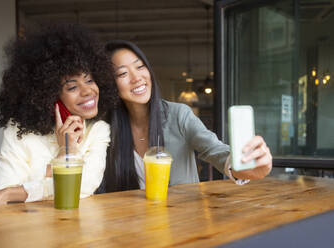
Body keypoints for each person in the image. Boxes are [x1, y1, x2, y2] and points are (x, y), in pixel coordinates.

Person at [98, 40, 272, 193]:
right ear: (110, 85)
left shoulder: (178, 114)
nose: (137, 78)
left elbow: (213, 148)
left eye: (140, 66)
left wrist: (244, 166)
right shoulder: (105, 130)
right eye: (122, 73)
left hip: (182, 224)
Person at [0, 24, 117, 207]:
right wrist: (53, 172)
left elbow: (84, 186)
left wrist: (67, 152)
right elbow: (1, 192)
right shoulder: (18, 131)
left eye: (89, 80)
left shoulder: (97, 131)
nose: (87, 91)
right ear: (50, 95)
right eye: (72, 87)